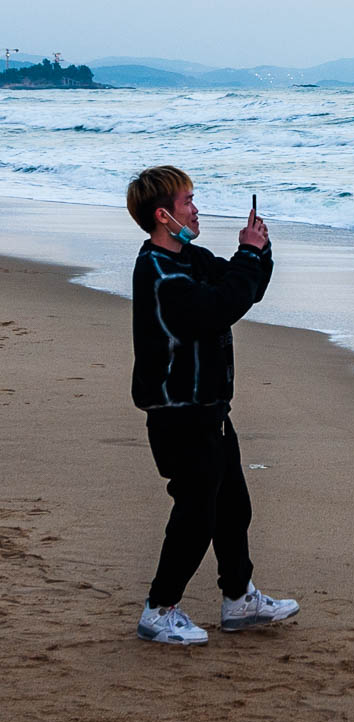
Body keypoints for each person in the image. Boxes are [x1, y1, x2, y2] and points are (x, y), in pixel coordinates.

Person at [128, 165, 299, 645]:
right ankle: (159, 609)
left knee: (231, 506)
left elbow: (242, 290)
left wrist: (259, 251)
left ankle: (239, 598)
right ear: (163, 215)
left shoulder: (190, 258)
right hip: (178, 414)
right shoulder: (159, 272)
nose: (195, 208)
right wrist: (247, 253)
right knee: (196, 514)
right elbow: (216, 309)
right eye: (187, 202)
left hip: (209, 409)